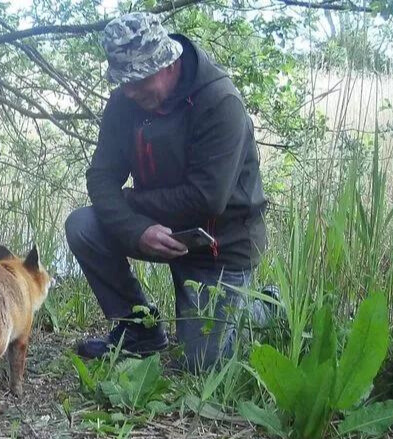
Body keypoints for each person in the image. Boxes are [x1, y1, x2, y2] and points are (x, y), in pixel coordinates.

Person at [65, 12, 276, 372]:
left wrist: (132, 203)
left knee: (202, 365)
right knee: (83, 225)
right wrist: (136, 229)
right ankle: (139, 329)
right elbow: (101, 175)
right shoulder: (126, 100)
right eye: (124, 82)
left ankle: (265, 306)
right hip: (157, 228)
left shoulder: (220, 102)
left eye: (138, 80)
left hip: (220, 245)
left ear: (166, 62)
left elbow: (207, 197)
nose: (130, 91)